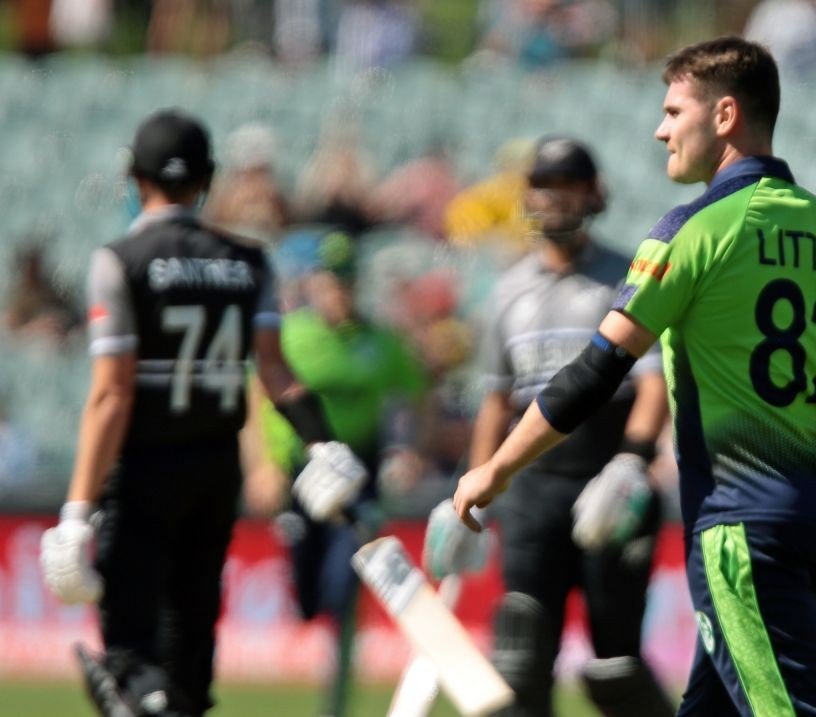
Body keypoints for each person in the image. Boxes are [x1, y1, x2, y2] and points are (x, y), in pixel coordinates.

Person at [453, 37, 816, 717]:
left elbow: (596, 371)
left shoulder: (694, 231)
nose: (661, 130)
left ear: (723, 116)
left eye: (673, 111)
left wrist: (496, 469)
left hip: (743, 526)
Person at [38, 109, 368, 717]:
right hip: (214, 471)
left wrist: (77, 510)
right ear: (208, 180)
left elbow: (112, 395)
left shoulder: (121, 260)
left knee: (129, 657)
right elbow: (275, 371)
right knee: (190, 651)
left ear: (135, 177)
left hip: (143, 470)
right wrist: (322, 443)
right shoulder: (249, 261)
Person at [428, 136, 674, 716]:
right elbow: (497, 402)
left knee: (615, 667)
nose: (556, 199)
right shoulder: (507, 292)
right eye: (544, 185)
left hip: (609, 481)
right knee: (522, 659)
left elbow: (653, 385)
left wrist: (630, 465)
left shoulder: (627, 277)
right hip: (533, 493)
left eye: (569, 186)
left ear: (594, 194)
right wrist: (475, 487)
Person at [253, 228, 431, 717]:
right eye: (331, 281)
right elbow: (259, 396)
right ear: (315, 284)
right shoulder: (293, 335)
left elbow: (420, 396)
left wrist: (412, 451)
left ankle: (338, 698)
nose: (339, 292)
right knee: (307, 592)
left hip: (359, 474)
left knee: (346, 578)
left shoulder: (380, 342)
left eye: (347, 282)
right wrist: (264, 465)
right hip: (304, 473)